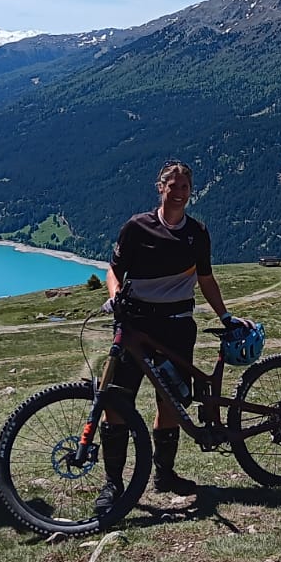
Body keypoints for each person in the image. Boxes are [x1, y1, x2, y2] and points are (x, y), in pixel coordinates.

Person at [100, 159, 252, 509]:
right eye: (174, 186)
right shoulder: (137, 227)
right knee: (117, 401)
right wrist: (115, 296)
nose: (180, 192)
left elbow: (206, 279)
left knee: (170, 402)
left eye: (185, 187)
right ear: (161, 188)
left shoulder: (197, 232)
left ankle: (164, 475)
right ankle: (113, 485)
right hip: (135, 324)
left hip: (177, 326)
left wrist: (226, 316)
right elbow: (114, 270)